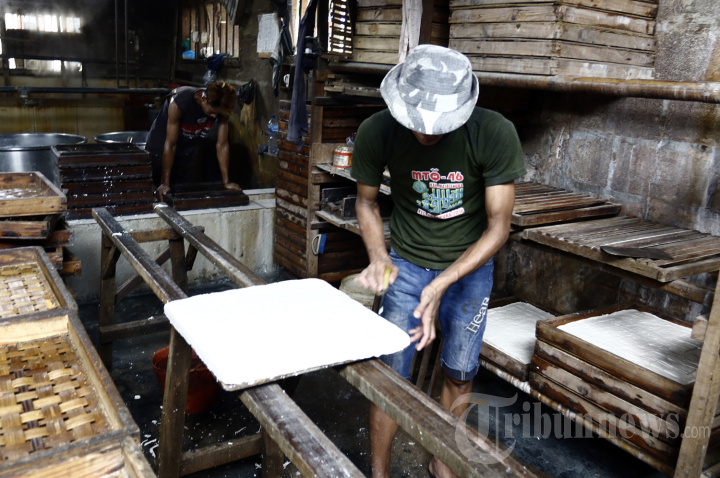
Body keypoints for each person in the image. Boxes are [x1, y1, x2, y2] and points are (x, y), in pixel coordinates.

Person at [351, 44, 526, 478]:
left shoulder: (494, 133)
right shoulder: (377, 131)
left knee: (460, 374)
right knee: (391, 374)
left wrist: (442, 282)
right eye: (416, 123)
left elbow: (498, 227)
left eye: (437, 127)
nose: (426, 135)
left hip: (468, 270)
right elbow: (366, 203)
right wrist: (379, 257)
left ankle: (442, 462)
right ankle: (379, 473)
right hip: (406, 263)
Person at [145, 81, 241, 202]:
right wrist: (164, 183)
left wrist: (226, 182)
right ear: (203, 99)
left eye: (217, 114)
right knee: (157, 194)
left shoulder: (222, 109)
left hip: (186, 152)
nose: (214, 117)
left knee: (179, 195)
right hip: (161, 150)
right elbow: (171, 144)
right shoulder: (179, 102)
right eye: (212, 112)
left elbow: (222, 145)